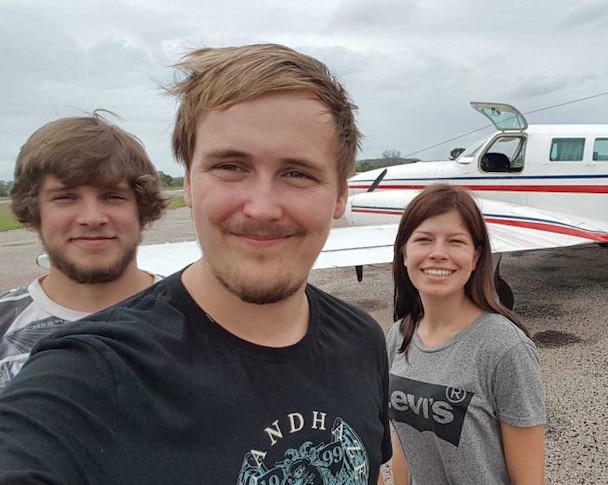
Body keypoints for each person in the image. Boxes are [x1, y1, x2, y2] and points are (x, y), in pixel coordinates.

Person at [0, 44, 391, 484]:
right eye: (230, 166)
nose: (261, 208)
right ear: (188, 183)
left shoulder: (362, 340)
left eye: (297, 173)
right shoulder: (89, 373)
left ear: (340, 195)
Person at [387, 183, 546, 485]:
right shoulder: (398, 336)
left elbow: (529, 478)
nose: (438, 254)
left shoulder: (505, 349)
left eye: (455, 242)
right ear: (404, 253)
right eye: (423, 239)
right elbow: (404, 440)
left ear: (475, 257)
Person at [0, 114, 168, 391]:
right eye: (66, 197)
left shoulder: (199, 317)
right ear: (34, 210)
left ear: (141, 209)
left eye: (113, 196)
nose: (92, 218)